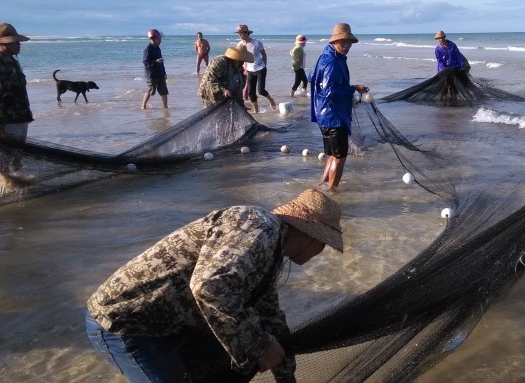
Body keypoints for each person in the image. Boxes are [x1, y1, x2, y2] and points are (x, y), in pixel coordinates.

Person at [85, 188, 344, 382]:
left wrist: (286, 377)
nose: (321, 250)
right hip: (127, 324)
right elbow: (209, 288)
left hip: (177, 323)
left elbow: (270, 317)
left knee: (227, 366)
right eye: (325, 244)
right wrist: (260, 345)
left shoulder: (272, 250)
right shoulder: (258, 228)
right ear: (313, 238)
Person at [309, 23, 369, 192]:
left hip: (323, 115)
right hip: (334, 116)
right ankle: (333, 192)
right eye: (343, 42)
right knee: (340, 157)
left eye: (349, 42)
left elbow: (310, 77)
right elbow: (330, 91)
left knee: (332, 155)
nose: (347, 46)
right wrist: (353, 88)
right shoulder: (333, 62)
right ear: (334, 42)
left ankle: (323, 185)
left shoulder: (323, 57)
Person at [0, 23, 34, 191]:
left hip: (20, 117)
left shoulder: (12, 60)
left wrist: (26, 115)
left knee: (17, 156)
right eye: (14, 41)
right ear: (2, 44)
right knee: (5, 159)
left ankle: (17, 186)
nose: (18, 44)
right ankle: (8, 189)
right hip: (6, 120)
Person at [236, 24, 276, 113]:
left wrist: (264, 65)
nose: (239, 35)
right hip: (250, 70)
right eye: (238, 33)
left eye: (241, 33)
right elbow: (240, 58)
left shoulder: (256, 43)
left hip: (260, 69)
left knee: (261, 91)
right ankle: (256, 111)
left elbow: (264, 55)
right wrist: (243, 68)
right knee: (251, 93)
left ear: (246, 33)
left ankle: (271, 99)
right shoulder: (239, 45)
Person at [141, 29, 168, 109]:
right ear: (152, 39)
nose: (160, 41)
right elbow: (145, 62)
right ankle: (143, 105)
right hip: (152, 74)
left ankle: (165, 107)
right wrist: (155, 61)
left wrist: (164, 72)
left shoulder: (157, 48)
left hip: (160, 73)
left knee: (164, 91)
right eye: (159, 39)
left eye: (160, 39)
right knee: (151, 90)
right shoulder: (148, 49)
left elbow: (161, 61)